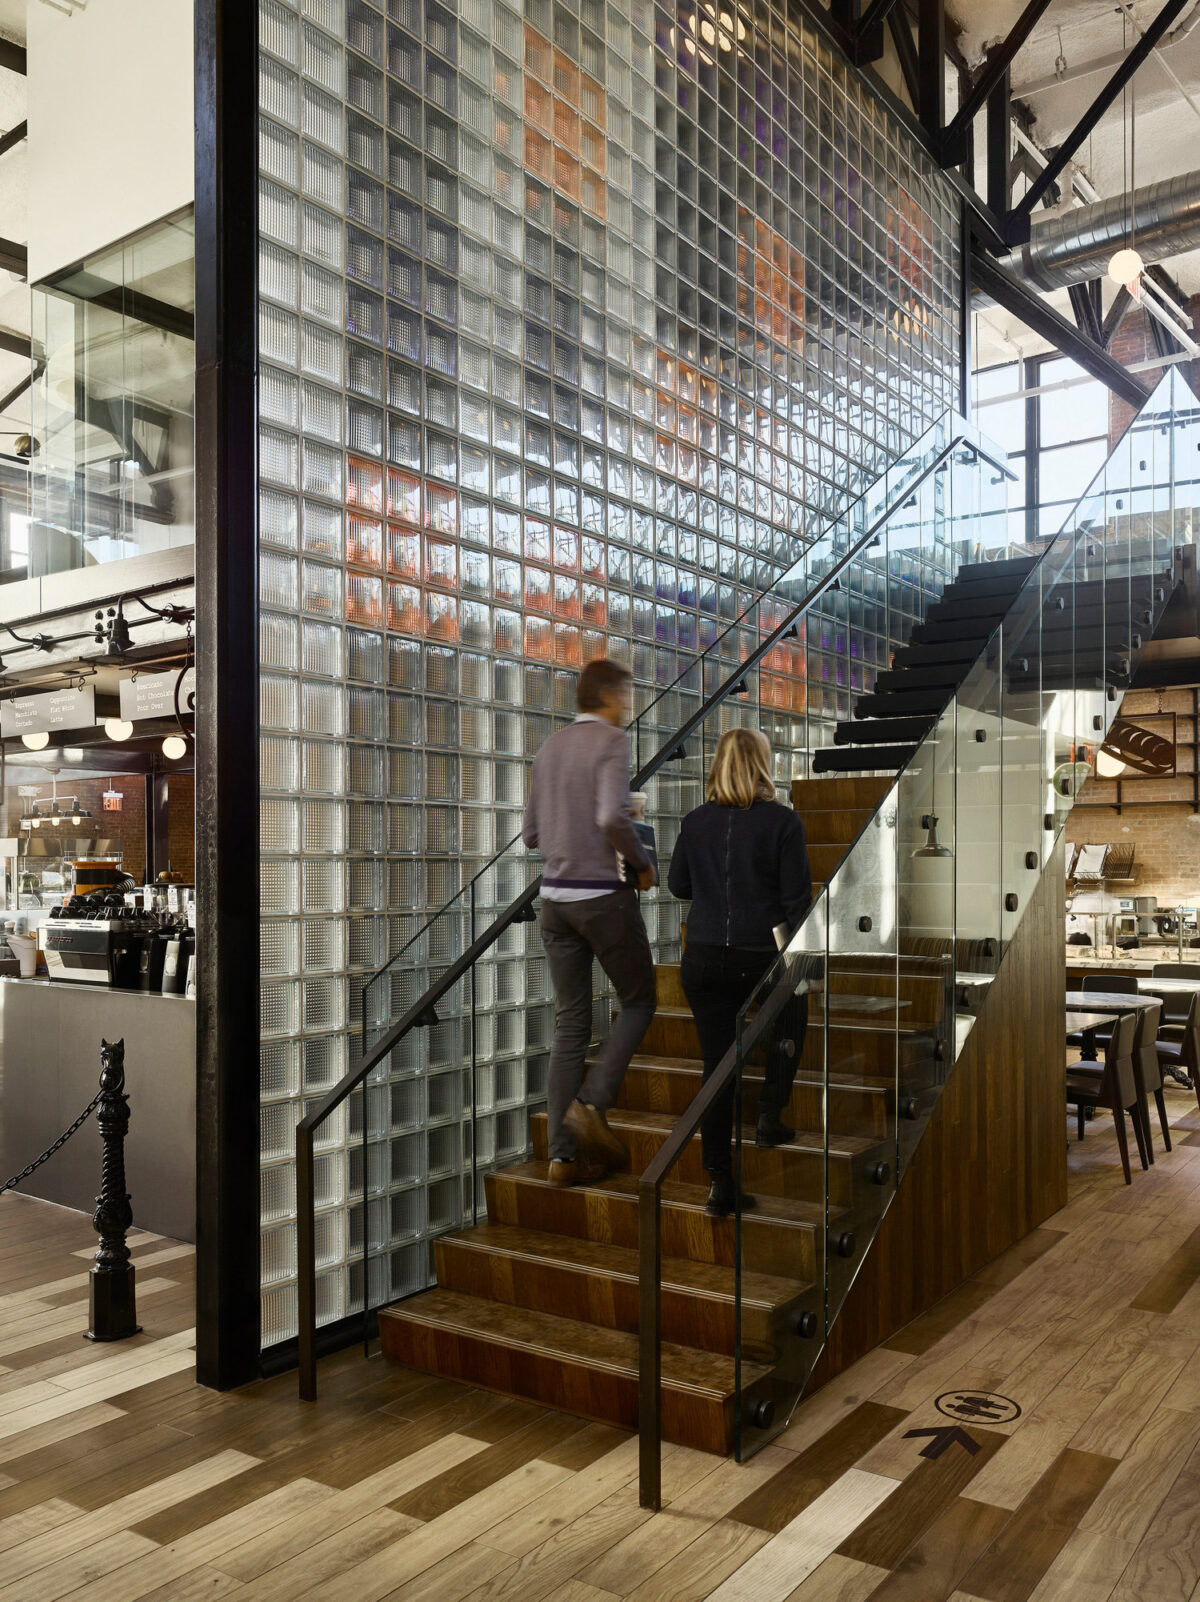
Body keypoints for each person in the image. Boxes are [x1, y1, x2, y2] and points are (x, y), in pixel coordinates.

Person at [522, 658, 659, 1187]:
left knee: (571, 1024)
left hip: (554, 903)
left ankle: (562, 1157)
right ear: (608, 695)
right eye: (626, 695)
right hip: (601, 897)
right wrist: (642, 863)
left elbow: (532, 833)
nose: (628, 706)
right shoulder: (610, 742)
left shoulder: (550, 747)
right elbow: (607, 817)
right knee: (640, 1000)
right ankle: (592, 1104)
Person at [667, 728, 812, 1216]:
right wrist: (804, 957)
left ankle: (719, 1182)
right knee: (792, 1012)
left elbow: (678, 885)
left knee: (718, 1067)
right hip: (759, 955)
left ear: (718, 766)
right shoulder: (782, 822)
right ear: (762, 765)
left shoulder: (694, 822)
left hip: (704, 957)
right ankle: (770, 1114)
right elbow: (796, 899)